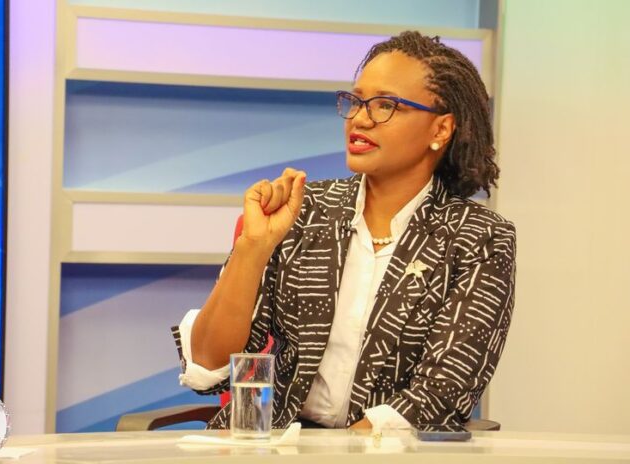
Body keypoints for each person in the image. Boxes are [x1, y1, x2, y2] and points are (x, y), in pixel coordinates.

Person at [172, 30, 516, 431]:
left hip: (387, 453)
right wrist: (253, 248)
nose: (360, 118)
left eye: (386, 105)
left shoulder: (478, 237)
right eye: (356, 101)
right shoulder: (304, 210)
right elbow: (209, 366)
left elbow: (440, 392)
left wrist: (334, 454)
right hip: (273, 443)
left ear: (440, 130)